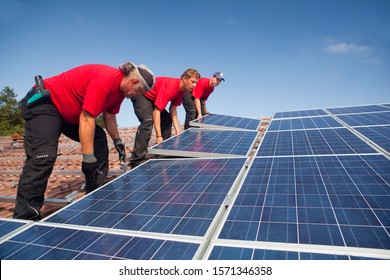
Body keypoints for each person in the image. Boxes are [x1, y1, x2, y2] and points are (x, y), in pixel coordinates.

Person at [13, 62, 155, 221]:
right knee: (43, 156)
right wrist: (88, 158)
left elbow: (110, 116)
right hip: (47, 104)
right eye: (138, 92)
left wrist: (117, 141)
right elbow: (87, 118)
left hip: (69, 115)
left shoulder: (120, 92)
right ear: (133, 82)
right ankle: (25, 217)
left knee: (98, 137)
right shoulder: (105, 80)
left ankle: (96, 189)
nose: (136, 96)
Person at [129, 68, 201, 167]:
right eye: (193, 82)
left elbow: (173, 109)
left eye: (196, 83)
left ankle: (162, 152)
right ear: (184, 78)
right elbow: (156, 112)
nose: (195, 85)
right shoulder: (170, 87)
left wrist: (178, 130)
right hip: (142, 94)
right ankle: (136, 160)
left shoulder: (181, 90)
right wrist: (159, 136)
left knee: (167, 119)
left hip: (153, 99)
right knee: (147, 121)